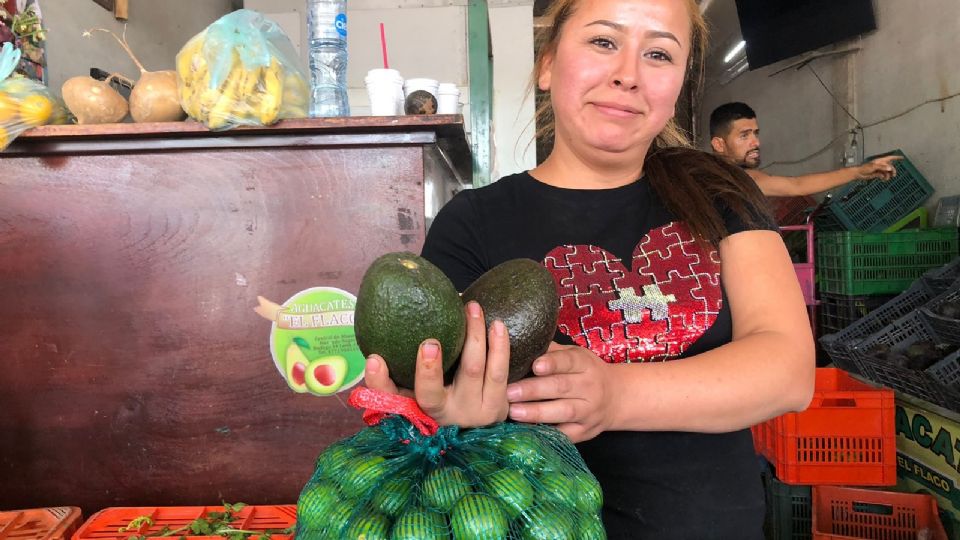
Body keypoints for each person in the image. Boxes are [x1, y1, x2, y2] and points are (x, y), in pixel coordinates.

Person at [364, 0, 815, 537]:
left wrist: (615, 394)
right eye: (604, 42)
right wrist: (448, 411)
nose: (628, 75)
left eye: (658, 54)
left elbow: (788, 371)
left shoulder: (719, 194)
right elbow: (444, 390)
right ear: (548, 65)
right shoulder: (474, 222)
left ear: (675, 90)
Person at [709, 101, 900, 197]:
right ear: (719, 144)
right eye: (744, 135)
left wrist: (859, 172)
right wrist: (858, 172)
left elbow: (796, 185)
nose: (756, 142)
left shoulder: (740, 176)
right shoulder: (719, 177)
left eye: (755, 133)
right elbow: (796, 186)